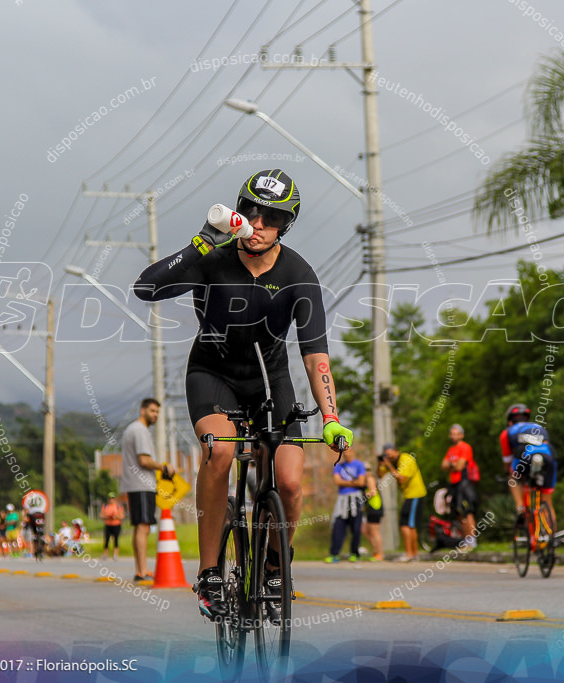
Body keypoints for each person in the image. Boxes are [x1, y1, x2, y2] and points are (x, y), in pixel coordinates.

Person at [132, 169, 353, 621]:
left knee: (289, 482)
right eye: (250, 212)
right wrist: (201, 242)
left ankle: (275, 566)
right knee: (220, 454)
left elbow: (316, 357)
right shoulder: (213, 258)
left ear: (285, 225)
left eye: (271, 217)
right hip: (212, 373)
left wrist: (330, 417)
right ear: (237, 212)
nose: (258, 223)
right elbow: (145, 288)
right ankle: (210, 571)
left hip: (270, 381)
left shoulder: (299, 274)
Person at [119, 398, 173, 582]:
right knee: (143, 527)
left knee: (140, 527)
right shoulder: (140, 430)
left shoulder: (132, 429)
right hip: (141, 485)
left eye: (157, 411)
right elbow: (144, 460)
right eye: (152, 411)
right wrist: (164, 467)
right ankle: (142, 571)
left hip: (136, 485)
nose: (155, 415)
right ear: (142, 410)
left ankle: (140, 569)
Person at [499, 404, 557, 525]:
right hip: (548, 458)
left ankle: (520, 507)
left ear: (510, 421)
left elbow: (507, 459)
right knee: (548, 503)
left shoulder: (507, 432)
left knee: (513, 477)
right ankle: (552, 538)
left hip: (525, 457)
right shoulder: (539, 426)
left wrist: (506, 472)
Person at [377, 443, 426, 562]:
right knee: (407, 525)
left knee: (408, 525)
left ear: (396, 451)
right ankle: (413, 555)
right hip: (409, 496)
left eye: (389, 454)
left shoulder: (406, 459)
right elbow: (380, 475)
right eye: (386, 455)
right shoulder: (392, 462)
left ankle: (411, 554)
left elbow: (401, 478)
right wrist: (380, 464)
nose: (389, 457)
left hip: (415, 495)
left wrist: (388, 465)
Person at [441, 424, 478, 549]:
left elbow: (459, 466)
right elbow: (443, 465)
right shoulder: (451, 449)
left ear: (461, 435)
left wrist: (451, 465)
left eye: (456, 433)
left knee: (467, 511)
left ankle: (472, 540)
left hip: (465, 483)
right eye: (452, 433)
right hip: (454, 484)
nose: (454, 436)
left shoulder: (465, 447)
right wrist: (453, 464)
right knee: (458, 512)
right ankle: (465, 539)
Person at [326, 449, 366, 563]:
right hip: (342, 500)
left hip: (356, 499)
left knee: (356, 528)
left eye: (349, 452)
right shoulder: (339, 466)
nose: (347, 454)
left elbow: (361, 482)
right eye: (344, 453)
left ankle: (354, 553)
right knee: (338, 527)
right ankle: (334, 554)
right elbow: (337, 481)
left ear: (353, 452)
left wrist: (346, 482)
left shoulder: (359, 465)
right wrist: (354, 482)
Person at [361, 470, 385, 561]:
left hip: (375, 508)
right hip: (371, 509)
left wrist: (363, 496)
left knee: (375, 532)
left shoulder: (370, 479)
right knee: (365, 530)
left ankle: (379, 554)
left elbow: (373, 492)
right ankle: (375, 552)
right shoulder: (366, 480)